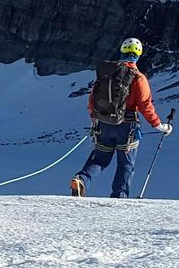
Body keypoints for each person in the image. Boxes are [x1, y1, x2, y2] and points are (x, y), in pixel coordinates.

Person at [69, 38, 170, 199]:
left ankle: (81, 179)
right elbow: (145, 105)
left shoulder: (107, 73)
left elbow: (92, 98)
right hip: (127, 127)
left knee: (101, 158)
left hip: (103, 123)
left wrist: (95, 117)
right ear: (138, 55)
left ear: (122, 51)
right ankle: (119, 197)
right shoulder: (138, 78)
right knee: (125, 164)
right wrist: (159, 125)